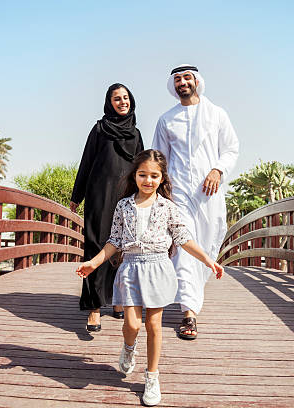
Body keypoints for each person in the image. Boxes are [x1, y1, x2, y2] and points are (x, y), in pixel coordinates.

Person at [76, 149, 223, 406]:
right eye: (142, 175)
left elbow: (184, 239)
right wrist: (94, 262)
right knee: (132, 325)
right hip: (130, 269)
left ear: (162, 179)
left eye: (154, 176)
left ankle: (152, 377)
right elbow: (114, 241)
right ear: (135, 176)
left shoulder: (168, 207)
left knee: (154, 325)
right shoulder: (123, 206)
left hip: (159, 269)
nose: (148, 180)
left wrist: (208, 261)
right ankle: (129, 348)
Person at [152, 64, 239, 340]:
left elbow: (231, 148)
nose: (182, 83)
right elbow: (159, 158)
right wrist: (158, 193)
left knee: (208, 242)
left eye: (187, 78)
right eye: (177, 79)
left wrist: (218, 170)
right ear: (172, 85)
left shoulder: (217, 114)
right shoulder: (167, 119)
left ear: (197, 81)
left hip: (209, 193)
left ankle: (193, 292)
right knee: (184, 245)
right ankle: (189, 312)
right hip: (178, 193)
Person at [70, 83, 144, 332]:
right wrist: (76, 195)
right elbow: (86, 161)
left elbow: (142, 170)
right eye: (116, 99)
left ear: (131, 101)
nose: (122, 102)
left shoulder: (135, 134)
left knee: (123, 250)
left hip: (126, 199)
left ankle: (117, 301)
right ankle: (93, 308)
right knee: (96, 246)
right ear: (109, 102)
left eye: (125, 98)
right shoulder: (100, 129)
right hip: (99, 197)